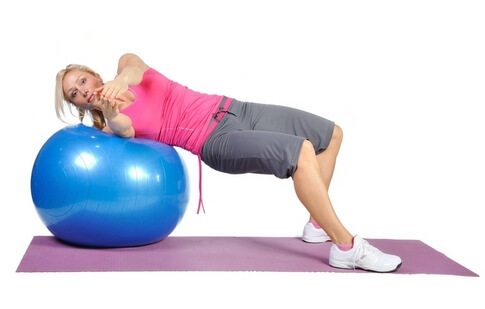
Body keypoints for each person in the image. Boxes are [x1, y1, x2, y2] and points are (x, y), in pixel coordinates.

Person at [55, 53, 402, 272]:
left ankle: (317, 224)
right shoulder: (113, 123)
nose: (82, 90)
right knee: (301, 153)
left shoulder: (123, 67)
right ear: (79, 105)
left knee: (332, 134)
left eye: (82, 80)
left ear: (93, 74)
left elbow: (134, 67)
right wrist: (111, 109)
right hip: (215, 141)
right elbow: (124, 126)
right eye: (74, 93)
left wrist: (119, 83)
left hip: (236, 108)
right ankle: (346, 246)